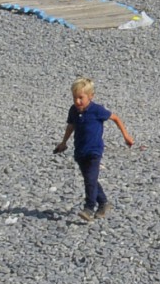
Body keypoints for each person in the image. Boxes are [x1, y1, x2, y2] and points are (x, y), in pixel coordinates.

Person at [51, 77, 132, 220]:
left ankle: (89, 208)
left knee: (89, 180)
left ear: (90, 96)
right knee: (91, 179)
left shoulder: (97, 110)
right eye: (75, 98)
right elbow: (70, 126)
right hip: (80, 151)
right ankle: (103, 203)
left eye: (81, 98)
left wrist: (126, 136)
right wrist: (63, 143)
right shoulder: (73, 110)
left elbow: (116, 118)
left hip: (94, 151)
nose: (77, 101)